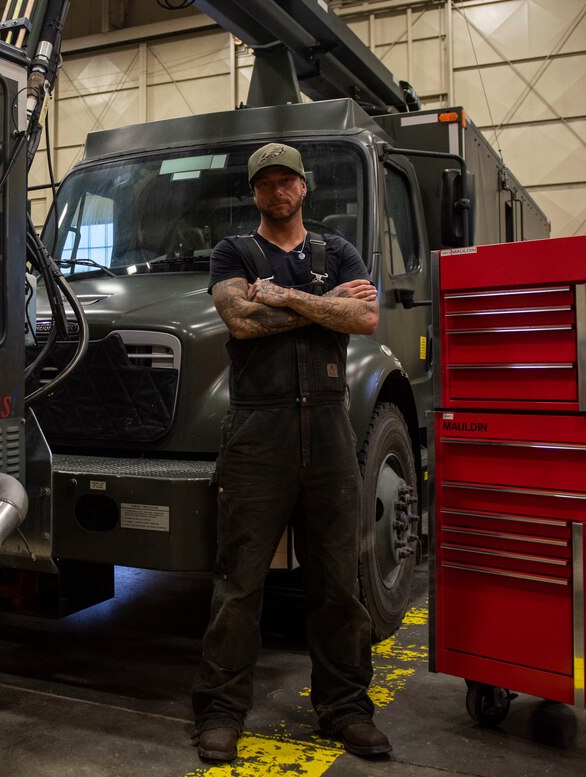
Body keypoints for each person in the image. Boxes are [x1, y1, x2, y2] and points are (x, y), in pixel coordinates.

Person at [191, 142, 390, 763]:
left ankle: (346, 708)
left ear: (304, 187)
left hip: (329, 429)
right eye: (267, 183)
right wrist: (325, 306)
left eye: (288, 181)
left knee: (337, 579)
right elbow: (240, 323)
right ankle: (222, 711)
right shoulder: (233, 252)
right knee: (239, 580)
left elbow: (366, 320)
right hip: (258, 430)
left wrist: (285, 297)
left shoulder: (336, 249)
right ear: (255, 193)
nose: (279, 191)